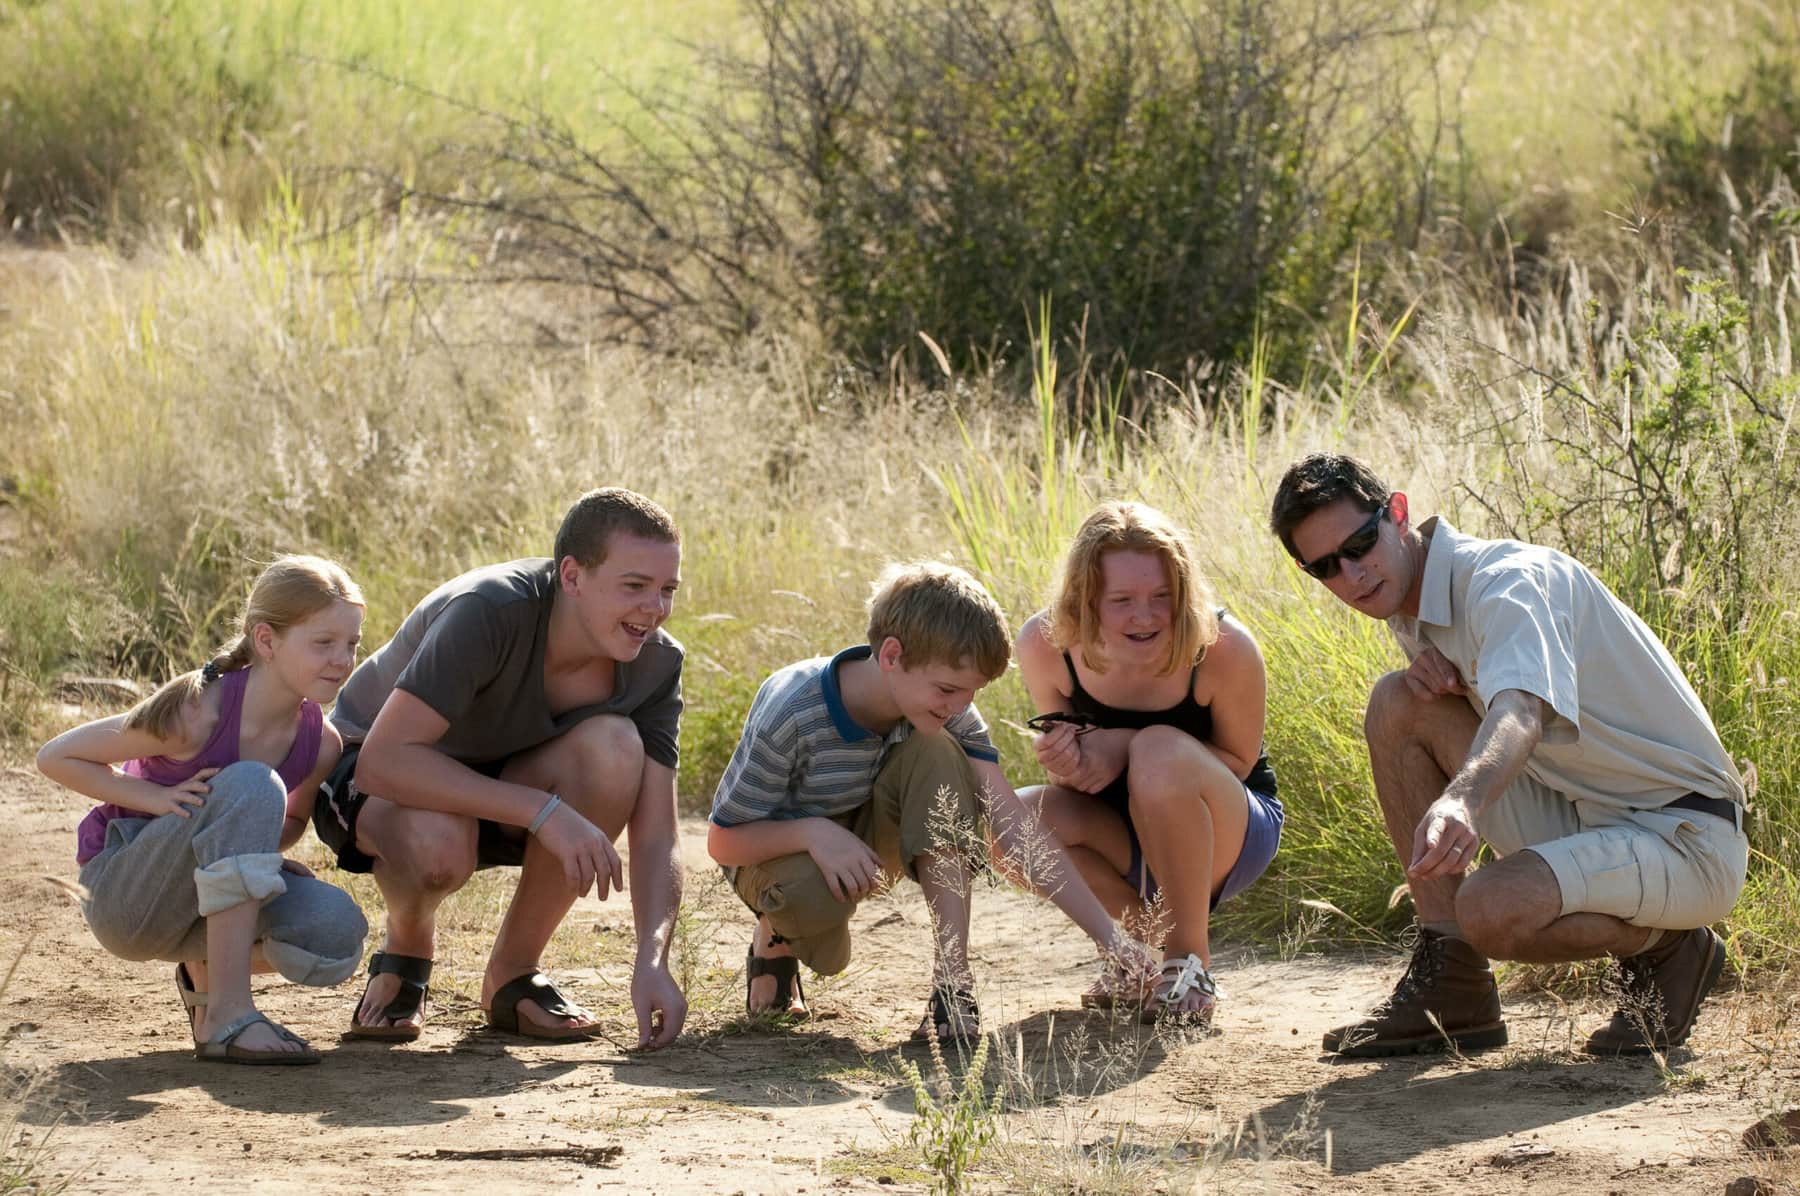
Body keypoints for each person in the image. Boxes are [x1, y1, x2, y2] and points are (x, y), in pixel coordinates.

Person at [1269, 452, 1748, 1057]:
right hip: (1585, 812)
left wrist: (1463, 802)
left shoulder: (1505, 583)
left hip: (1684, 834)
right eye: (1325, 568)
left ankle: (1674, 947)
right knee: (1398, 702)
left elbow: (1520, 710)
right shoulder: (1411, 598)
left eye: (1360, 543)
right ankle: (1454, 985)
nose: (1352, 575)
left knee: (1490, 908)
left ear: (1397, 513)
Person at [708, 561, 1157, 1042]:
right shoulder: (792, 709)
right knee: (820, 929)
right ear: (892, 655)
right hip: (773, 853)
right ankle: (775, 940)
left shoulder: (944, 707)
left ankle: (952, 983)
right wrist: (813, 833)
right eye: (948, 689)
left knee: (939, 749)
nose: (959, 706)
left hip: (862, 847)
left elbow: (1013, 824)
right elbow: (723, 842)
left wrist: (1110, 941)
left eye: (971, 692)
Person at [315, 488, 687, 1049]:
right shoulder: (490, 609)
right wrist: (544, 811)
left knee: (615, 745)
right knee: (441, 843)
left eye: (667, 590)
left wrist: (653, 959)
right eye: (634, 586)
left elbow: (658, 832)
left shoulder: (656, 662)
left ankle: (513, 974)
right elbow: (382, 763)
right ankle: (408, 945)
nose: (653, 609)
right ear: (571, 576)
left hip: (500, 784)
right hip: (374, 775)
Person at [38, 556, 370, 1065]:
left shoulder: (321, 743)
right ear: (266, 641)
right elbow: (57, 756)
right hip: (127, 897)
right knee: (253, 783)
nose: (342, 659)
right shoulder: (197, 710)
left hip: (199, 904)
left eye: (352, 643)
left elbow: (287, 822)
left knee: (334, 934)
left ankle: (208, 974)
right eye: (323, 643)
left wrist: (265, 855)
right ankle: (229, 1014)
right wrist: (155, 798)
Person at [1014, 502, 1283, 1026]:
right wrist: (1066, 763)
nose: (1146, 615)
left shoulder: (1224, 647)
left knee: (1158, 750)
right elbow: (1070, 780)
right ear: (1085, 599)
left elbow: (1238, 760)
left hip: (1228, 827)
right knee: (1011, 821)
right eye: (1122, 600)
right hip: (1121, 828)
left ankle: (1188, 961)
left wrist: (1125, 743)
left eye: (1163, 596)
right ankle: (1134, 955)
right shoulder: (1046, 645)